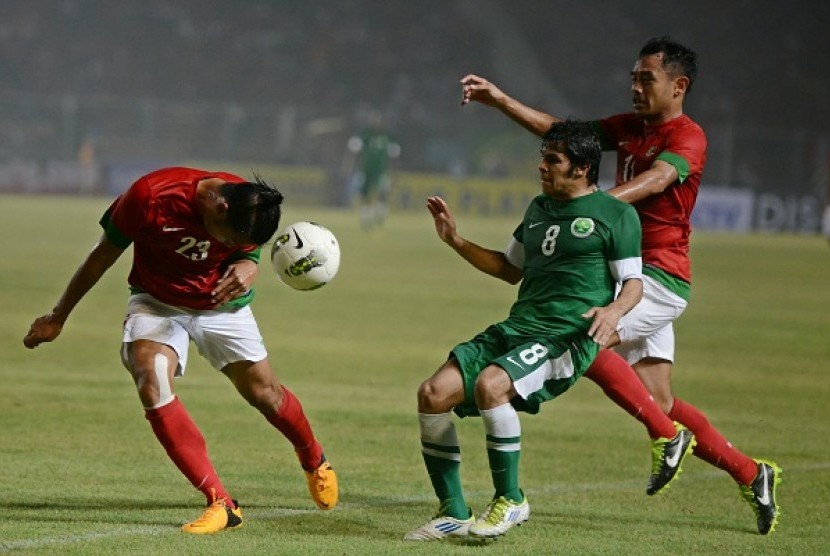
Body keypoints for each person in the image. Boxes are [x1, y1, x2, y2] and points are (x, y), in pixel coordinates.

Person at [460, 36, 781, 534]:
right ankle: (752, 473)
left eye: (645, 79)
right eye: (633, 77)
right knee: (661, 399)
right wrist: (499, 100)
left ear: (679, 86)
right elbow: (564, 135)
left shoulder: (688, 137)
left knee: (583, 332)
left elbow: (655, 181)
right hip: (618, 268)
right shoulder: (629, 126)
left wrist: (592, 206)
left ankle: (663, 437)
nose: (635, 87)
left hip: (656, 275)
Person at [405, 120, 695, 542]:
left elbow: (633, 283)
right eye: (543, 158)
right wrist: (456, 240)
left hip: (564, 337)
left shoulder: (617, 215)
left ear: (581, 167)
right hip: (518, 327)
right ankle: (452, 510)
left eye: (552, 160)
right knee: (432, 394)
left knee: (492, 385)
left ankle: (511, 500)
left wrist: (614, 313)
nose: (542, 166)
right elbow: (509, 270)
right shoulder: (539, 209)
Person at [22, 166, 339, 534]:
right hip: (157, 300)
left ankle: (314, 459)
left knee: (265, 394)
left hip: (221, 303)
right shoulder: (150, 197)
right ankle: (221, 503)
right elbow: (102, 255)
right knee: (150, 378)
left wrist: (248, 267)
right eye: (230, 241)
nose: (234, 246)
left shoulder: (246, 204)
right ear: (218, 209)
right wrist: (59, 316)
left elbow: (247, 251)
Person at [345, 111, 401, 229]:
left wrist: (395, 173)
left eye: (379, 120)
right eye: (374, 120)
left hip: (382, 171)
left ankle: (380, 215)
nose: (377, 122)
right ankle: (366, 218)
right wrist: (349, 166)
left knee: (383, 194)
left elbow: (394, 157)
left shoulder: (388, 137)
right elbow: (354, 151)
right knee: (365, 194)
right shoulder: (365, 135)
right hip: (366, 170)